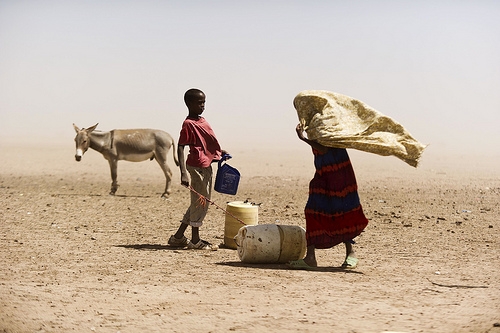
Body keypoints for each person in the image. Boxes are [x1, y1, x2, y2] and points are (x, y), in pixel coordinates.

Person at [288, 124, 369, 269]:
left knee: (343, 211)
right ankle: (310, 257)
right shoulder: (312, 123)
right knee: (313, 211)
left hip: (339, 173)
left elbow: (324, 147)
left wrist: (303, 138)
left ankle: (350, 253)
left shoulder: (327, 123)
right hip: (323, 173)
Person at [168, 88, 226, 250]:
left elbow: (207, 143)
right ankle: (195, 239)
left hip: (206, 166)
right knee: (200, 202)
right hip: (196, 167)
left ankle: (179, 237)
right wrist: (183, 173)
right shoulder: (188, 124)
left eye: (204, 102)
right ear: (189, 103)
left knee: (198, 201)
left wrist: (219, 153)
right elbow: (180, 147)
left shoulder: (202, 121)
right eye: (199, 103)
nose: (202, 106)